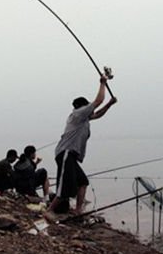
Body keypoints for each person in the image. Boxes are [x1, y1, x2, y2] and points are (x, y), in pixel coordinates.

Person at [48, 75, 117, 215]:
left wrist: (110, 104)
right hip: (65, 152)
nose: (90, 110)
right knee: (64, 186)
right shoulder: (78, 114)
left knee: (83, 182)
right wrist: (103, 83)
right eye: (88, 107)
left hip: (72, 155)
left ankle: (78, 210)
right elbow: (98, 101)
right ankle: (49, 211)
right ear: (83, 107)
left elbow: (97, 114)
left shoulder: (84, 119)